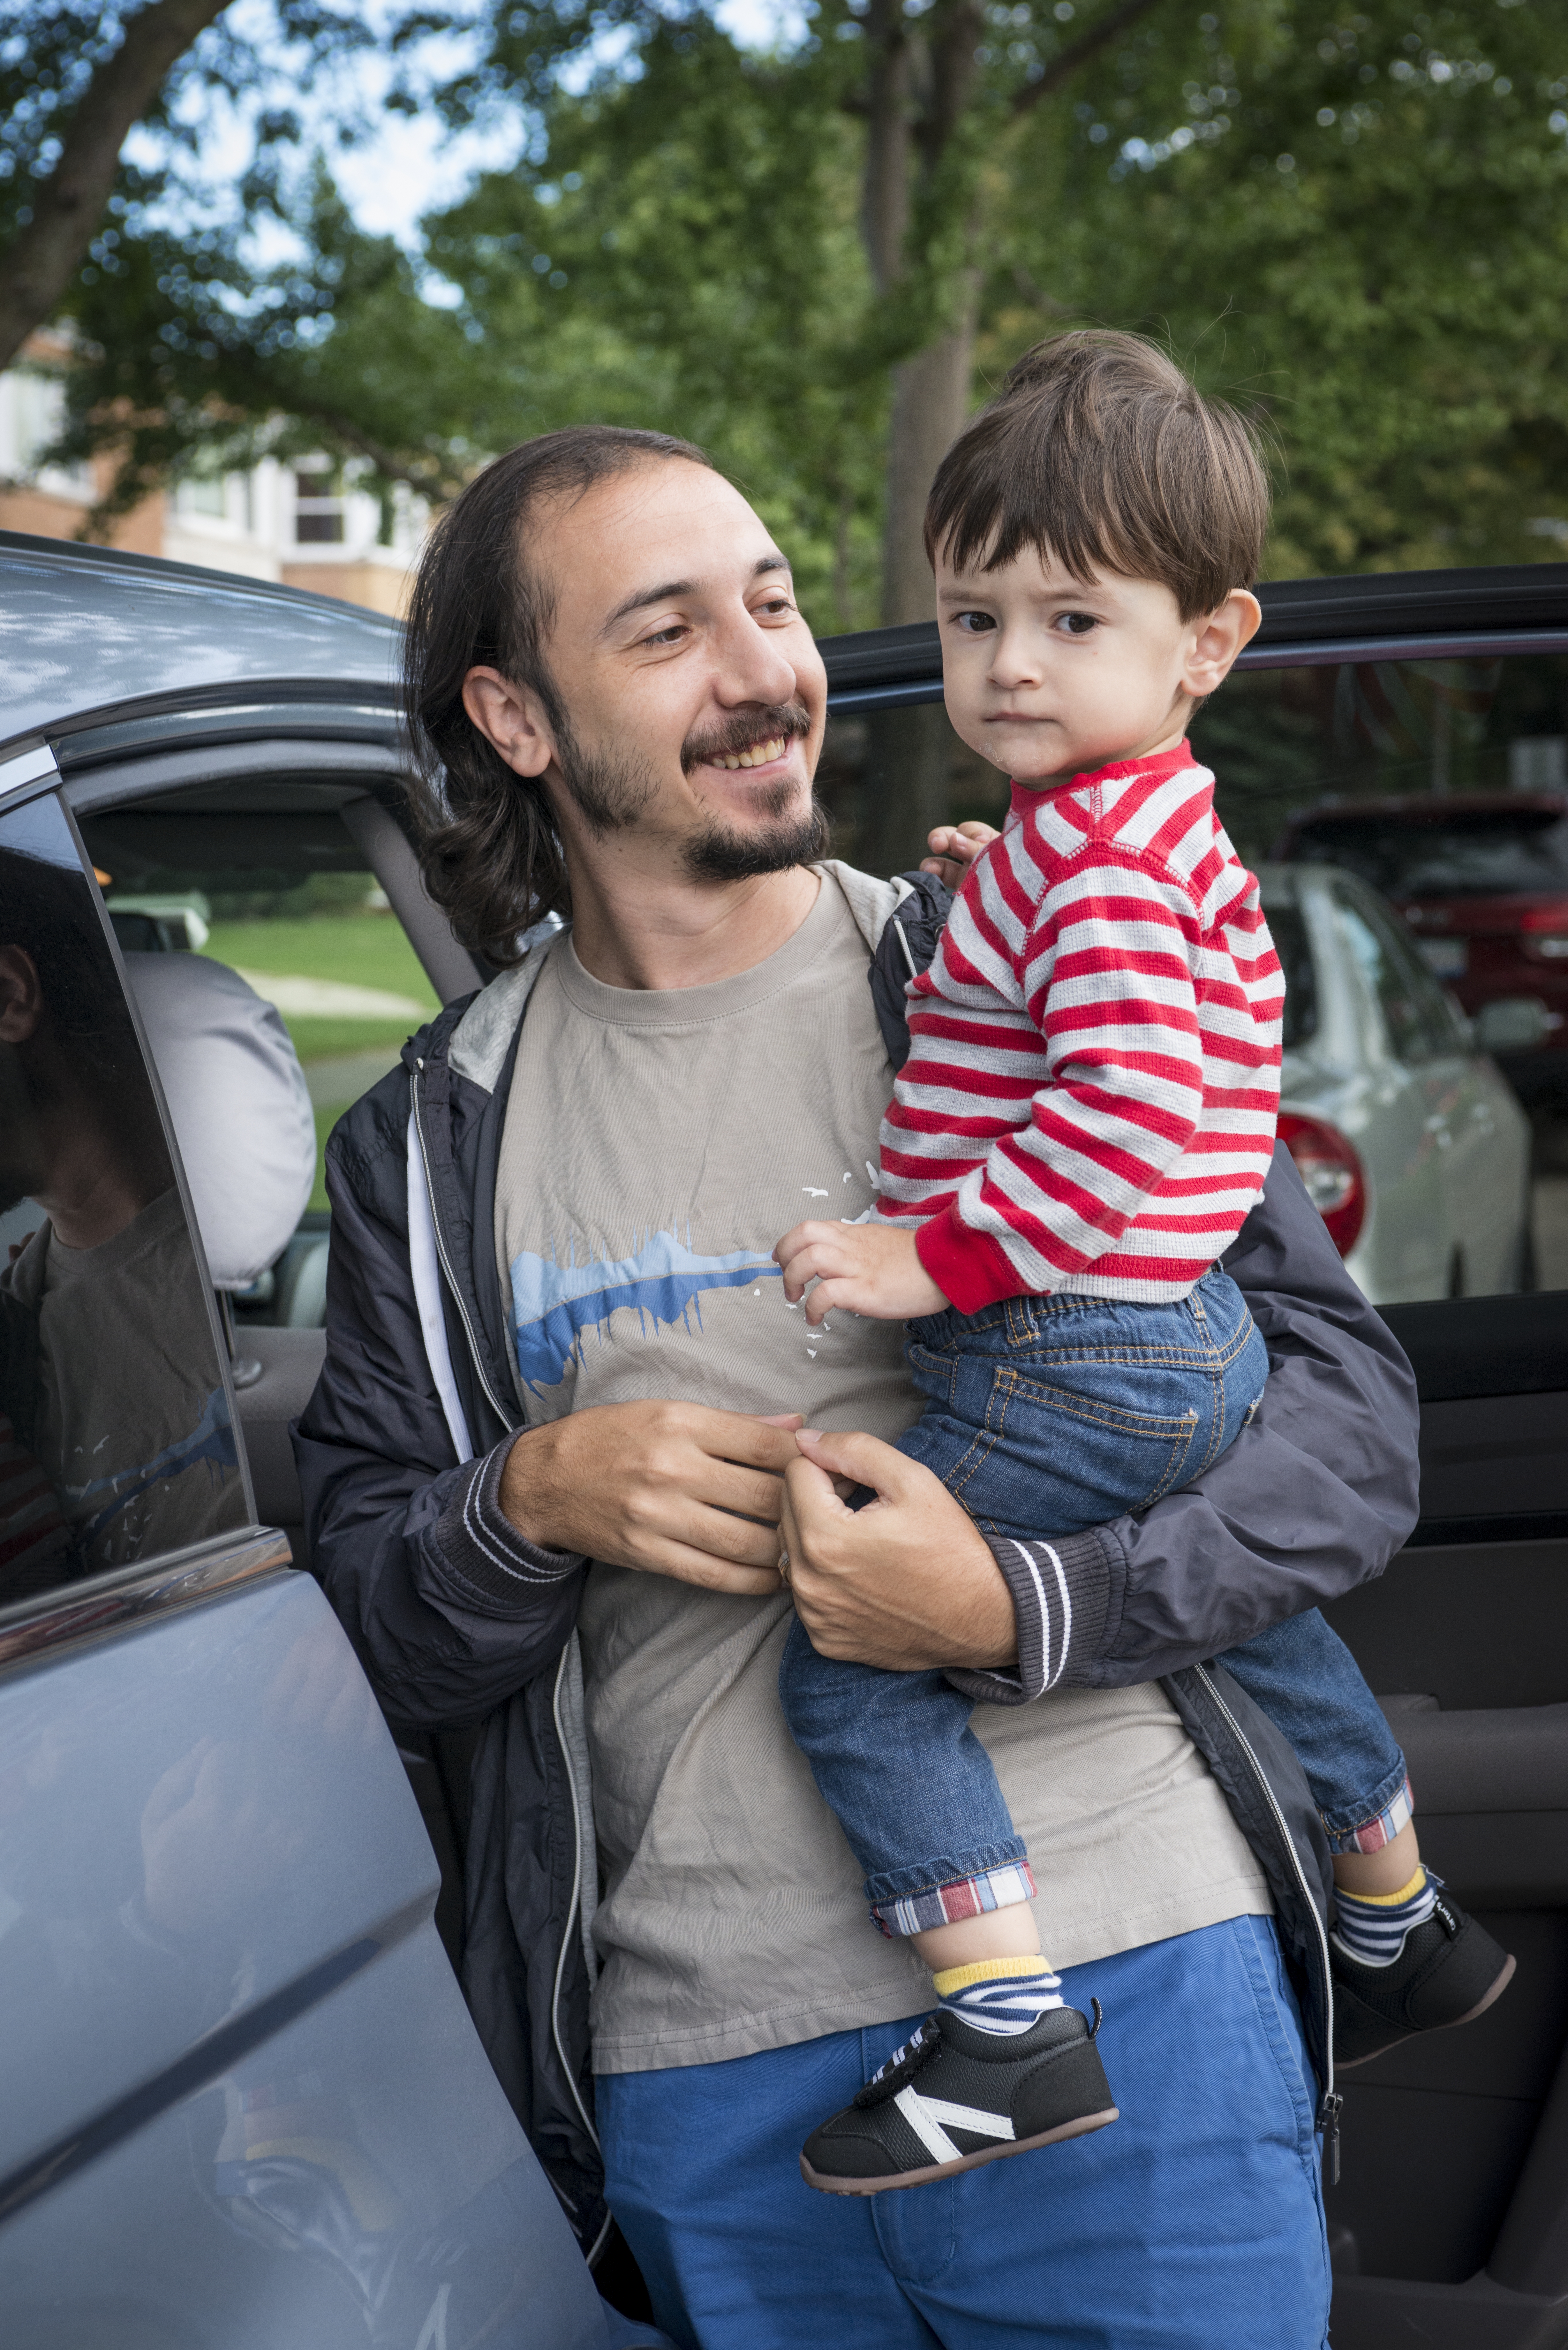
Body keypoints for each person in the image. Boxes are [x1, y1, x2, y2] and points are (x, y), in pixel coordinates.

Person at [296, 418, 1422, 2349]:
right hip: (695, 2074)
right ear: (519, 717)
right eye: (669, 634)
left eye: (777, 602)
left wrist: (1027, 1604)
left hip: (1128, 1982)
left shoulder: (1010, 971)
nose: (767, 672)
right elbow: (370, 1631)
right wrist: (534, 1502)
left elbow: (1343, 1429)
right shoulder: (433, 1140)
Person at [768, 336, 1513, 2195]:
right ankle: (1395, 1908)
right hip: (1181, 1343)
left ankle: (1008, 2026)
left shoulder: (1089, 870)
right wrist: (990, 902)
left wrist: (917, 1258)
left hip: (1069, 1342)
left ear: (1207, 641)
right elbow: (1132, 1010)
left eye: (1071, 619)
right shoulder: (1115, 837)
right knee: (1252, 1612)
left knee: (853, 1654)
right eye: (970, 617)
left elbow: (1117, 1121)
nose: (1010, 662)